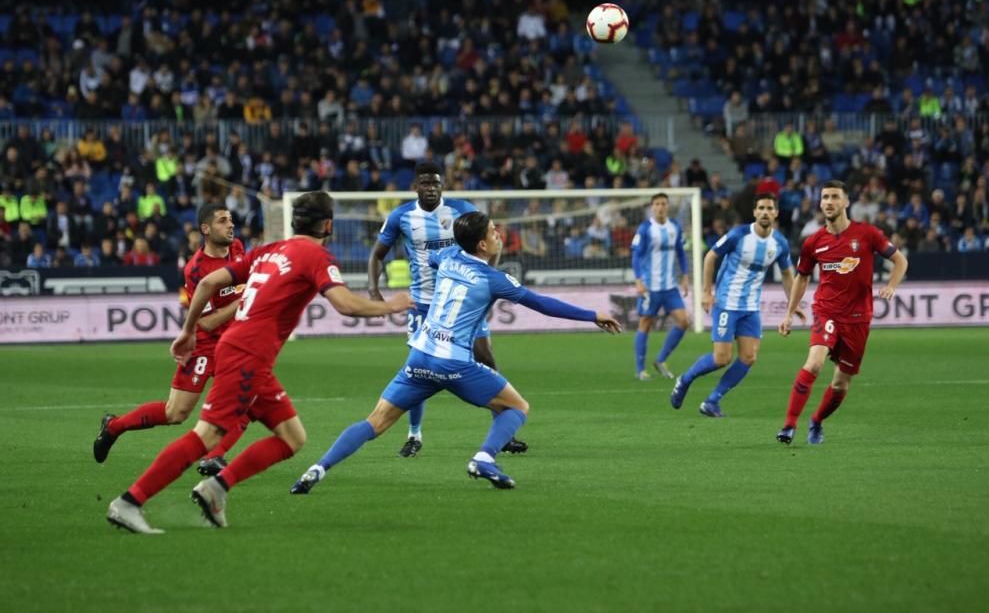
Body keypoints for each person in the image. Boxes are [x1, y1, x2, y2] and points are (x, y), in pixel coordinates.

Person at [105, 192, 412, 533]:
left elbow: (209, 282)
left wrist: (188, 330)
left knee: (292, 437)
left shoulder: (269, 250)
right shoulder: (315, 255)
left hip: (245, 352)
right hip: (246, 355)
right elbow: (346, 305)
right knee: (205, 436)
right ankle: (130, 502)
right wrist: (393, 304)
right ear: (328, 225)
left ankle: (216, 487)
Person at [290, 212, 622, 494]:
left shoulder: (447, 257)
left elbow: (431, 257)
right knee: (517, 407)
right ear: (482, 244)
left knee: (375, 422)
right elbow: (542, 304)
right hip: (453, 361)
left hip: (419, 355)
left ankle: (318, 468)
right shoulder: (494, 279)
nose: (498, 234)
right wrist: (593, 315)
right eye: (493, 231)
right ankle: (484, 458)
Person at [367, 162, 526, 456]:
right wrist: (374, 289)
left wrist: (485, 278)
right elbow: (377, 255)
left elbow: (489, 243)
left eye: (436, 184)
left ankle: (503, 432)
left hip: (461, 299)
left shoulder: (460, 210)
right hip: (423, 303)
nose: (431, 189)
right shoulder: (401, 216)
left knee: (487, 357)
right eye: (425, 183)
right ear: (416, 186)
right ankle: (414, 435)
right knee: (418, 369)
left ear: (443, 185)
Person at [93, 204, 248, 474]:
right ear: (206, 229)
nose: (230, 225)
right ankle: (114, 426)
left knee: (246, 399)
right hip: (205, 344)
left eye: (231, 220)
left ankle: (214, 455)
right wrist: (247, 297)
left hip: (235, 345)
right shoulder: (196, 269)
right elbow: (207, 321)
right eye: (223, 221)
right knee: (175, 413)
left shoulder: (238, 249)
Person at [776, 181, 908, 445]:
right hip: (826, 311)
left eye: (834, 197)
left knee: (840, 384)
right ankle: (789, 426)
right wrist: (790, 312)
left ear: (846, 202)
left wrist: (892, 285)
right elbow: (801, 278)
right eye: (824, 197)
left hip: (858, 318)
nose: (828, 202)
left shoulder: (867, 234)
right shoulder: (813, 242)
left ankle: (817, 420)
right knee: (814, 362)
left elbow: (900, 260)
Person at [670, 193, 806, 416]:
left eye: (769, 208)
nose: (765, 212)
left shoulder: (779, 242)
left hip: (750, 308)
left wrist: (794, 303)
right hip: (726, 303)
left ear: (776, 213)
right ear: (754, 212)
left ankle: (712, 401)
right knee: (721, 358)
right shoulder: (739, 235)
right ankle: (684, 379)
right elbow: (710, 257)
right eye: (761, 208)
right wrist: (706, 292)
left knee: (749, 357)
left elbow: (787, 274)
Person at [631, 193, 690, 380]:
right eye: (657, 204)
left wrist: (685, 276)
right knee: (645, 324)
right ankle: (640, 369)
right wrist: (638, 280)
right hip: (650, 286)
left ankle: (661, 360)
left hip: (670, 286)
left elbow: (681, 252)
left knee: (683, 321)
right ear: (651, 207)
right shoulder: (645, 228)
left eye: (663, 203)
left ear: (668, 206)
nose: (660, 207)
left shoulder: (675, 227)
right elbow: (636, 256)